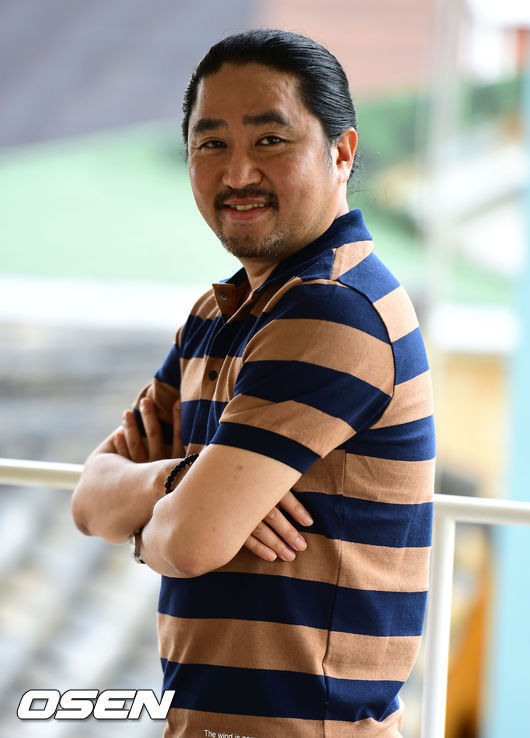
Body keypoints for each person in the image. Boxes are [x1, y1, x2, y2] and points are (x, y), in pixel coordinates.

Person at [72, 29, 435, 737]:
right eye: (211, 143)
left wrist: (179, 510)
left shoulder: (335, 309)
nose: (238, 172)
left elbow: (190, 543)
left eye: (270, 140)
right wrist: (182, 481)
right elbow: (90, 502)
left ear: (342, 152)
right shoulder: (219, 311)